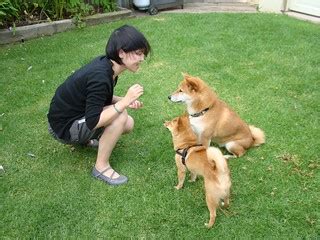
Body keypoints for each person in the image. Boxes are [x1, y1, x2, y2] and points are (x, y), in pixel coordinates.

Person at [47, 25, 151, 186]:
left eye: (143, 53)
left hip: (74, 117)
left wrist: (124, 100)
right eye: (138, 53)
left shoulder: (107, 66)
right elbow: (93, 121)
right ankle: (101, 167)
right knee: (121, 116)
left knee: (128, 123)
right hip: (63, 128)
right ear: (121, 53)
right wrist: (124, 103)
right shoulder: (100, 77)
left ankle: (89, 141)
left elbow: (98, 98)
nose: (142, 58)